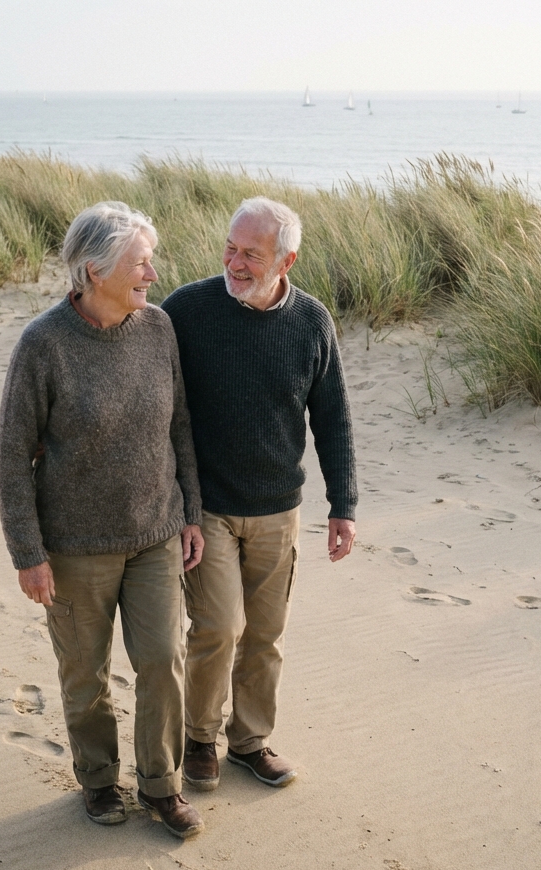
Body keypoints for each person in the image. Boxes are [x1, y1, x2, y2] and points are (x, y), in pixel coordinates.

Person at [0, 202, 207, 839]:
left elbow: (180, 427)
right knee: (85, 674)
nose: (152, 273)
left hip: (155, 534)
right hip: (73, 547)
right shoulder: (44, 344)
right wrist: (28, 553)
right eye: (141, 263)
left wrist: (191, 512)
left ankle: (162, 785)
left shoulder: (159, 328)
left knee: (163, 660)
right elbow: (10, 457)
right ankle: (98, 779)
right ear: (94, 269)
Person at [162, 196, 357, 791]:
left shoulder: (312, 322)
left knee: (266, 635)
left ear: (286, 260)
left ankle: (249, 742)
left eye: (251, 253)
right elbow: (155, 398)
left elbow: (333, 417)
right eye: (230, 248)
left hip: (278, 508)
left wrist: (343, 504)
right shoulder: (187, 309)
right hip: (207, 508)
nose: (235, 262)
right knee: (218, 627)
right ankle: (200, 738)